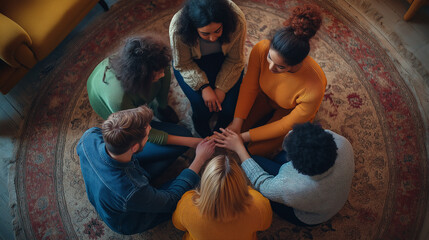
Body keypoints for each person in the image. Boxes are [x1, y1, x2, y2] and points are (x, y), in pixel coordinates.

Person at [76, 106, 216, 234]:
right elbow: (171, 199)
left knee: (178, 143)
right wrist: (200, 159)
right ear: (135, 148)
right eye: (148, 135)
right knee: (196, 186)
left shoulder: (89, 136)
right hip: (127, 218)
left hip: (125, 179)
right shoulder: (131, 191)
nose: (150, 133)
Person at [227, 4, 327, 157]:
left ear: (297, 63)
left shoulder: (315, 87)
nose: (271, 68)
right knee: (232, 127)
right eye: (269, 58)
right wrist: (237, 123)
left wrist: (243, 137)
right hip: (264, 96)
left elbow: (285, 124)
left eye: (280, 67)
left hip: (288, 111)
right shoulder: (261, 48)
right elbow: (249, 86)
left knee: (255, 150)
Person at [214, 123, 354, 226]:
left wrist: (239, 148)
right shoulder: (343, 143)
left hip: (310, 216)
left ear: (296, 166)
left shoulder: (291, 187)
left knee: (255, 162)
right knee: (273, 161)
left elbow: (262, 183)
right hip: (330, 195)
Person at [169, 0, 247, 137]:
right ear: (194, 28)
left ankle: (219, 130)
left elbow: (235, 60)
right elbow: (183, 63)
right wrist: (204, 87)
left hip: (225, 60)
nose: (212, 38)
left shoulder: (237, 20)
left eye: (217, 31)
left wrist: (221, 88)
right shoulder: (178, 27)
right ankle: (200, 126)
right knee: (202, 106)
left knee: (228, 108)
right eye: (205, 34)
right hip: (191, 64)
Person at [172, 154, 272, 239]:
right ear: (240, 180)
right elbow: (265, 225)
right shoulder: (259, 203)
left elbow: (178, 225)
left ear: (205, 181)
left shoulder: (187, 204)